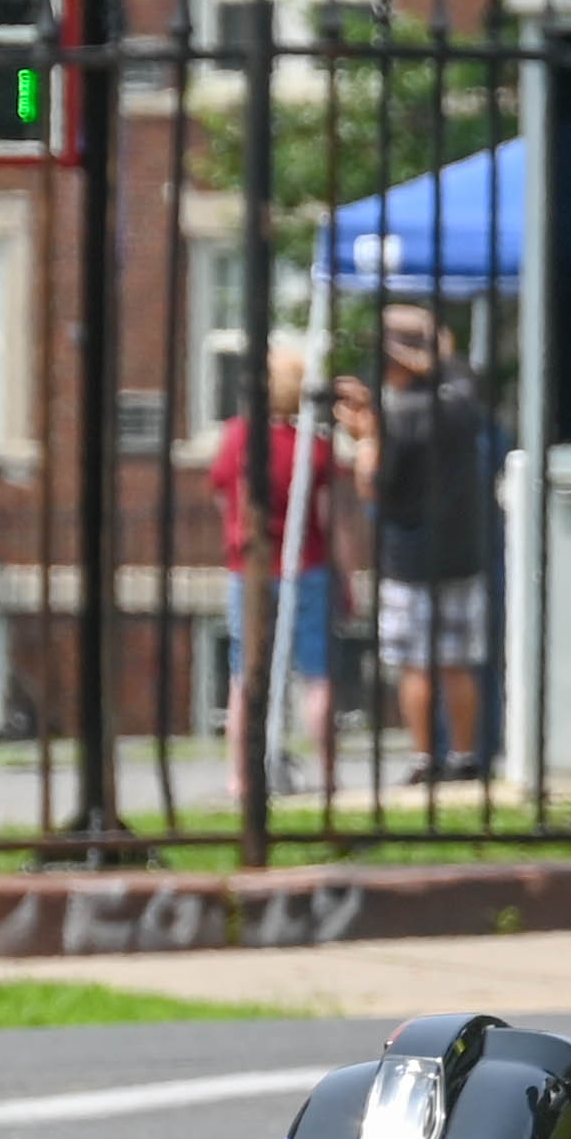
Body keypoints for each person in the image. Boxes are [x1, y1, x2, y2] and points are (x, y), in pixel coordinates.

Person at [343, 303, 494, 783]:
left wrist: (364, 438)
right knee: (457, 662)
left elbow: (376, 487)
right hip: (462, 550)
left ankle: (424, 759)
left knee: (415, 665)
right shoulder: (462, 396)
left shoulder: (396, 416)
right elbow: (455, 365)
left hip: (409, 555)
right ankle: (466, 757)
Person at [206, 340, 337, 788]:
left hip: (251, 570)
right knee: (317, 676)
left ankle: (240, 775)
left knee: (245, 676)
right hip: (308, 567)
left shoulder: (239, 437)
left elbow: (225, 496)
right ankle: (330, 775)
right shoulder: (313, 447)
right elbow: (330, 518)